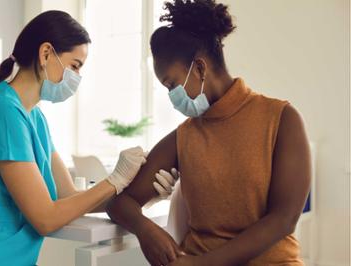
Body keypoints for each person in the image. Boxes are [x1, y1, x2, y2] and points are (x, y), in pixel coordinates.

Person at [0, 10, 177, 266]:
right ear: (46, 53)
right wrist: (114, 180)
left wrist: (142, 195)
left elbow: (67, 196)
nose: (77, 77)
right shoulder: (1, 112)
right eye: (75, 66)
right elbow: (45, 218)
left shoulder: (33, 118)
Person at [106, 1, 311, 265]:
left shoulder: (282, 119)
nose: (171, 96)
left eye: (172, 84)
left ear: (200, 68)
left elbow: (284, 219)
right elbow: (121, 203)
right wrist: (146, 230)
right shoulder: (185, 136)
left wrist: (202, 264)